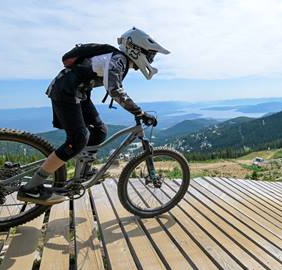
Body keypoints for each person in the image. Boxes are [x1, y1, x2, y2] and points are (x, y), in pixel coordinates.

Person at [17, 27, 170, 205]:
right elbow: (115, 90)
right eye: (150, 55)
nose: (150, 60)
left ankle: (84, 171)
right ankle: (31, 188)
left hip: (77, 93)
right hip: (66, 92)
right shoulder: (118, 59)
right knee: (78, 139)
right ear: (136, 49)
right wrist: (139, 112)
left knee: (100, 130)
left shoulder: (119, 60)